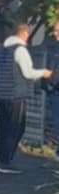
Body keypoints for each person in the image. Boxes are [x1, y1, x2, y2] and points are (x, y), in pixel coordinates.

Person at [0, 23, 52, 174]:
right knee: (16, 127)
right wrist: (44, 73)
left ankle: (3, 158)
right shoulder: (20, 50)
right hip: (15, 95)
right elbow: (28, 73)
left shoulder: (5, 49)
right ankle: (7, 162)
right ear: (24, 34)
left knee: (5, 127)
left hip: (2, 94)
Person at [42, 19, 59, 159]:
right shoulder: (53, 48)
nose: (55, 33)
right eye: (54, 30)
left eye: (58, 31)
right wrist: (48, 84)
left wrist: (52, 76)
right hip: (55, 92)